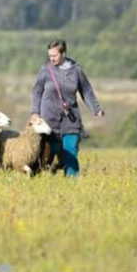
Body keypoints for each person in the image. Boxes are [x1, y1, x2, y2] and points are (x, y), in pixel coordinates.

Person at [31, 39, 104, 177]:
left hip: (71, 118)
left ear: (63, 53)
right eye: (50, 56)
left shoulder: (76, 70)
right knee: (50, 151)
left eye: (55, 56)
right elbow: (36, 91)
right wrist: (35, 112)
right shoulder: (45, 71)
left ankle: (72, 182)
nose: (51, 59)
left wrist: (96, 109)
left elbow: (86, 91)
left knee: (71, 149)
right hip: (49, 120)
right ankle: (42, 177)